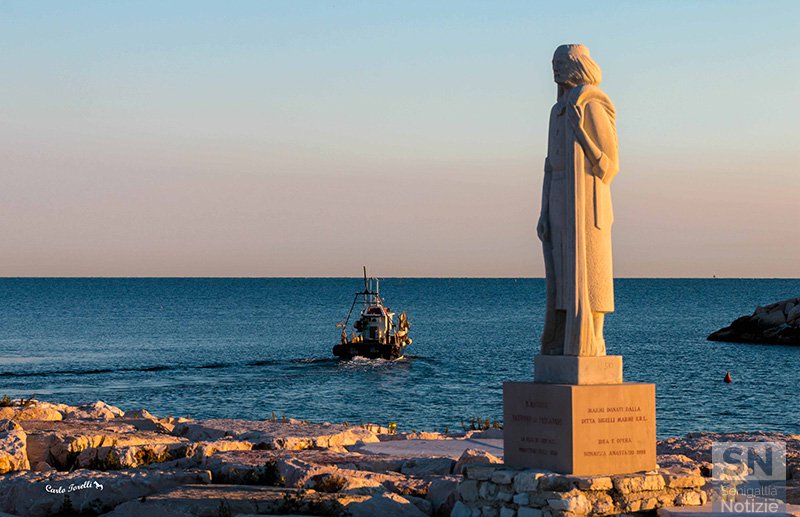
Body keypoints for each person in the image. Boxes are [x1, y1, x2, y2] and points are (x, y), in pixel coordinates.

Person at [537, 44, 619, 356]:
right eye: (553, 64)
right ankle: (562, 339)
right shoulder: (556, 111)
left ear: (576, 66)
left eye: (560, 63)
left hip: (588, 201)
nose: (555, 70)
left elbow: (610, 166)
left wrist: (581, 134)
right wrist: (544, 211)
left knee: (592, 272)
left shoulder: (591, 106)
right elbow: (549, 165)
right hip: (559, 200)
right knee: (561, 274)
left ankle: (592, 340)